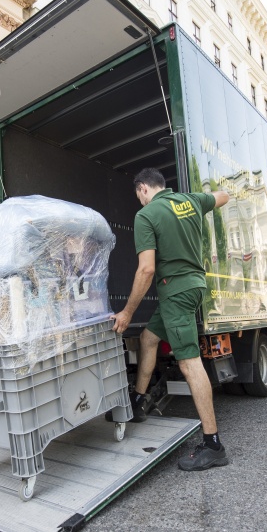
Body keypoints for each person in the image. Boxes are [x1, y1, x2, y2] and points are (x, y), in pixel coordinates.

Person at [111, 167, 230, 472]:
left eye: (139, 196)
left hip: (175, 292)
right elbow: (224, 196)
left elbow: (146, 270)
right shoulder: (189, 201)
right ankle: (139, 400)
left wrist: (127, 312)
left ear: (143, 189)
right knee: (149, 339)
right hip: (191, 287)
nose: (140, 201)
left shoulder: (147, 215)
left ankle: (213, 445)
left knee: (190, 363)